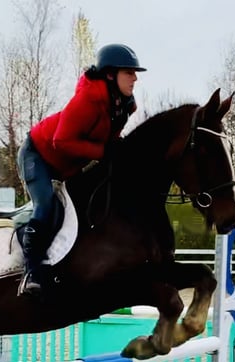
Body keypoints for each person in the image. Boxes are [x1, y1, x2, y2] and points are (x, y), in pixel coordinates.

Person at [16, 43, 146, 297]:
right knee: (45, 206)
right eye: (129, 72)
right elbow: (61, 141)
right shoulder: (87, 99)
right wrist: (103, 153)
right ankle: (31, 271)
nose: (135, 78)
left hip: (68, 163)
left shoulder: (124, 106)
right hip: (38, 154)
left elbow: (111, 140)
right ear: (110, 75)